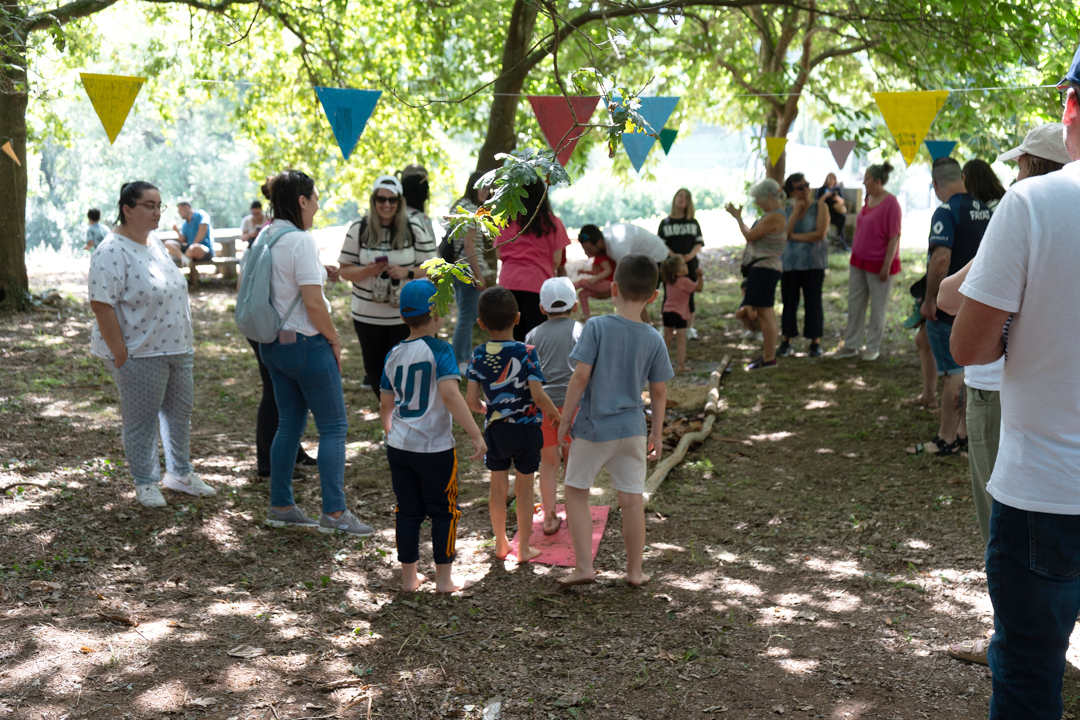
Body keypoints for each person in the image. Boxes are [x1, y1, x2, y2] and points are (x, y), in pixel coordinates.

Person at [950, 45, 1080, 719]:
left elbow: (969, 343)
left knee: (1030, 675)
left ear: (1070, 109)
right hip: (1047, 487)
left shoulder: (1033, 202)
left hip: (1047, 491)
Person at [936, 123, 1070, 667]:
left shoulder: (1025, 212)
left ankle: (1011, 637)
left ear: (1032, 168)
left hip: (1003, 401)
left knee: (1005, 529)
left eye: (1019, 164)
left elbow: (950, 304)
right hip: (1037, 405)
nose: (1012, 173)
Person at [257, 170, 373, 537]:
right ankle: (334, 513)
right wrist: (334, 339)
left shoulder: (265, 235)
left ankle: (281, 506)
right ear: (301, 201)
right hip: (307, 345)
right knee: (334, 428)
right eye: (316, 199)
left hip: (272, 345)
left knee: (289, 424)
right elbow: (313, 304)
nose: (318, 206)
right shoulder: (301, 241)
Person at [88, 182, 215, 507]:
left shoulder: (154, 243)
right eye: (149, 205)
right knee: (142, 420)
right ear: (127, 209)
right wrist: (121, 355)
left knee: (179, 414)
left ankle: (180, 474)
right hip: (139, 351)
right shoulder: (110, 250)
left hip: (176, 346)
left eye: (159, 205)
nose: (157, 212)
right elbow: (101, 305)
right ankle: (145, 482)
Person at [556, 255, 673, 586]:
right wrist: (657, 433)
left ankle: (584, 567)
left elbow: (580, 377)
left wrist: (564, 421)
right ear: (653, 296)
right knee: (632, 502)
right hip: (633, 430)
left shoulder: (596, 327)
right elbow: (659, 391)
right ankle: (635, 572)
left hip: (593, 428)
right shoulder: (654, 337)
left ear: (613, 289)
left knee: (576, 492)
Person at [380, 280, 486, 593]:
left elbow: (386, 404)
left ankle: (409, 578)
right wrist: (476, 434)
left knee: (407, 511)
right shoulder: (441, 351)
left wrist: (393, 435)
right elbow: (451, 395)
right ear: (438, 314)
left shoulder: (393, 353)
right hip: (434, 450)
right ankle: (444, 580)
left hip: (399, 447)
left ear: (403, 316)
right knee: (444, 511)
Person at [465, 287, 561, 562]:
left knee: (497, 488)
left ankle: (500, 544)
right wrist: (554, 414)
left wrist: (491, 410)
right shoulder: (528, 352)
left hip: (496, 430)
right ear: (517, 318)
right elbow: (538, 395)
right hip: (527, 430)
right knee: (524, 489)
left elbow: (471, 401)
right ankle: (524, 548)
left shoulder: (479, 354)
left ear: (481, 323)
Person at [907, 157, 995, 456]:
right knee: (970, 369)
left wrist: (929, 300)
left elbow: (941, 259)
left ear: (935, 185)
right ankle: (964, 433)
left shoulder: (946, 212)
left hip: (949, 307)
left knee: (954, 372)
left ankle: (946, 438)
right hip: (980, 302)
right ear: (963, 179)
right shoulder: (987, 210)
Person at [339, 175, 435, 400]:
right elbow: (344, 270)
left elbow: (434, 267)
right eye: (381, 199)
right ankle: (389, 414)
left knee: (404, 372)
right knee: (375, 372)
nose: (386, 205)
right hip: (367, 316)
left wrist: (407, 272)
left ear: (400, 201)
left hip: (405, 316)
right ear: (373, 200)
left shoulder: (414, 226)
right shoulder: (359, 228)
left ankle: (402, 413)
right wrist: (367, 271)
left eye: (392, 200)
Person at [525, 277, 583, 536]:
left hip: (543, 408)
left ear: (541, 308)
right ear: (575, 306)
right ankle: (574, 512)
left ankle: (549, 517)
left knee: (548, 462)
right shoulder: (582, 331)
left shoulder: (532, 335)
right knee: (573, 459)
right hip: (575, 407)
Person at [830, 162, 901, 361]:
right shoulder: (868, 199)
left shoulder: (891, 203)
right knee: (855, 304)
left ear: (877, 182)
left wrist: (886, 265)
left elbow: (894, 236)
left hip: (880, 263)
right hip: (859, 260)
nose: (863, 182)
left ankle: (872, 347)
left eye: (867, 179)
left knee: (878, 308)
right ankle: (851, 345)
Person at [494, 180, 571, 341]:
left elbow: (499, 254)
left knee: (513, 339)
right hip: (538, 286)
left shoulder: (506, 221)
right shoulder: (553, 223)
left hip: (508, 285)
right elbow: (556, 261)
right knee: (537, 340)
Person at [725, 179, 788, 370]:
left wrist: (738, 217)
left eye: (758, 199)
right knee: (766, 312)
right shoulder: (775, 214)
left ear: (768, 196)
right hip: (764, 268)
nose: (757, 203)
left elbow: (750, 235)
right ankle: (768, 356)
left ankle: (769, 358)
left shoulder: (775, 216)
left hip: (764, 268)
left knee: (765, 313)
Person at [778, 172, 829, 358]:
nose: (806, 190)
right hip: (790, 264)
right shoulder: (786, 210)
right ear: (791, 192)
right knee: (789, 303)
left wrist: (794, 237)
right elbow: (785, 233)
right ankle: (787, 340)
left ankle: (815, 342)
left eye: (807, 185)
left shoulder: (820, 207)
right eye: (800, 188)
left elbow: (819, 234)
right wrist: (795, 212)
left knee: (813, 302)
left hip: (814, 263)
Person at [577, 222, 670, 322]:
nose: (588, 255)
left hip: (656, 257)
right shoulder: (604, 240)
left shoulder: (618, 248)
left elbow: (625, 278)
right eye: (585, 250)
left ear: (599, 242)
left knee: (635, 300)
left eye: (590, 250)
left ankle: (645, 328)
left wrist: (610, 291)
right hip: (638, 258)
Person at [447, 171, 492, 370]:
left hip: (456, 267)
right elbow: (469, 246)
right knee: (467, 318)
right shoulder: (472, 210)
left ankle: (464, 358)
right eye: (482, 187)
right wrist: (478, 275)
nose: (485, 191)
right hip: (468, 268)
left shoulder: (459, 205)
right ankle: (456, 360)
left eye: (488, 188)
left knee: (465, 315)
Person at [657, 188, 705, 339]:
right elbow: (661, 244)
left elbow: (699, 242)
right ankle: (667, 326)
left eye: (686, 197)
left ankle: (688, 326)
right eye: (680, 196)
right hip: (670, 265)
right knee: (669, 293)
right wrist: (674, 256)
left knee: (689, 293)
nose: (682, 199)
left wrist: (689, 256)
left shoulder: (693, 222)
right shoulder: (665, 223)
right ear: (675, 198)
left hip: (689, 264)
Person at [660, 255, 703, 372]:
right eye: (683, 265)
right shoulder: (685, 281)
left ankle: (660, 363)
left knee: (667, 339)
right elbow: (699, 288)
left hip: (667, 312)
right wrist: (700, 277)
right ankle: (681, 365)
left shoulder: (668, 282)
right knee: (681, 340)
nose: (686, 265)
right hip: (680, 314)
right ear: (677, 271)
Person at [167, 200, 215, 288]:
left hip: (203, 250)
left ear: (187, 207)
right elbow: (183, 239)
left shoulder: (201, 214)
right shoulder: (185, 224)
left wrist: (192, 245)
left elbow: (203, 229)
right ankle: (184, 258)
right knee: (168, 243)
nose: (179, 213)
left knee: (194, 248)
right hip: (189, 250)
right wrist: (177, 231)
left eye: (180, 210)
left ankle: (181, 258)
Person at [572, 229, 614, 320]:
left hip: (607, 284)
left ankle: (566, 289)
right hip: (605, 284)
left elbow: (608, 270)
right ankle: (587, 317)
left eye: (589, 250)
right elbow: (597, 272)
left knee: (582, 282)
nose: (586, 252)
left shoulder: (601, 257)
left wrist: (595, 279)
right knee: (582, 294)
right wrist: (585, 272)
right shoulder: (598, 258)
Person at [816, 172, 849, 249]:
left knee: (842, 217)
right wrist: (826, 195)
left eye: (833, 178)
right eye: (829, 178)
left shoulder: (837, 189)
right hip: (825, 211)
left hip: (836, 212)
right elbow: (817, 202)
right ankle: (837, 241)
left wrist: (836, 197)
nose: (831, 180)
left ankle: (839, 238)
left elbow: (842, 201)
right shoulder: (822, 189)